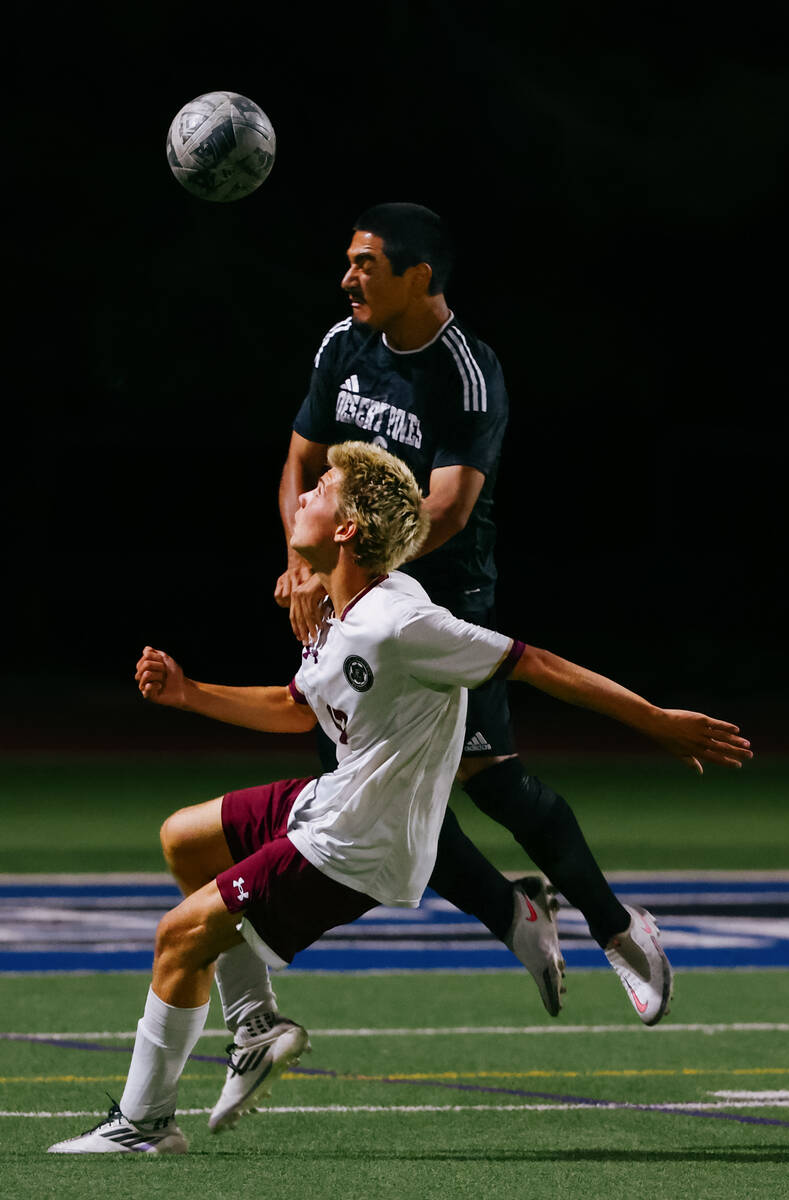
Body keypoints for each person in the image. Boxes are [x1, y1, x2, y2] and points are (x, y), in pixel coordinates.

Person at [48, 441, 751, 1155]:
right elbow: (296, 707)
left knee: (178, 937)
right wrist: (190, 693)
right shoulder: (335, 607)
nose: (306, 493)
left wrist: (656, 720)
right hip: (338, 800)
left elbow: (532, 662)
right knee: (185, 840)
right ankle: (257, 1028)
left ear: (348, 528)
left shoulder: (402, 622)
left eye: (321, 487)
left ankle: (144, 1126)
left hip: (361, 843)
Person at [273, 202, 692, 1022]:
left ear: (418, 276)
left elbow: (449, 508)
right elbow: (299, 459)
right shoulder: (340, 346)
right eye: (349, 261)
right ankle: (515, 913)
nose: (348, 276)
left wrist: (340, 578)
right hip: (350, 591)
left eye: (366, 263)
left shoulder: (466, 372)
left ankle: (613, 926)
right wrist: (302, 564)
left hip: (434, 595)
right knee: (368, 787)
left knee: (486, 780)